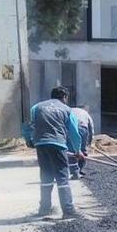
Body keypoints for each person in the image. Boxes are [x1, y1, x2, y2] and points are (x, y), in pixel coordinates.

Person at [23, 87, 84, 218]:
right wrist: (78, 151)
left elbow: (26, 124)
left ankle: (44, 209)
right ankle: (68, 211)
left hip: (41, 145)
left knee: (46, 177)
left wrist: (29, 140)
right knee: (62, 178)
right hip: (58, 145)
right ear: (65, 97)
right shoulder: (67, 110)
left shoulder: (37, 107)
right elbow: (74, 132)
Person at [69, 105, 95, 180]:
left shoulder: (69, 110)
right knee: (82, 150)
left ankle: (74, 171)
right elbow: (91, 129)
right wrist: (90, 142)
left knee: (71, 151)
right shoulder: (86, 113)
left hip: (70, 128)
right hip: (82, 128)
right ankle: (79, 170)